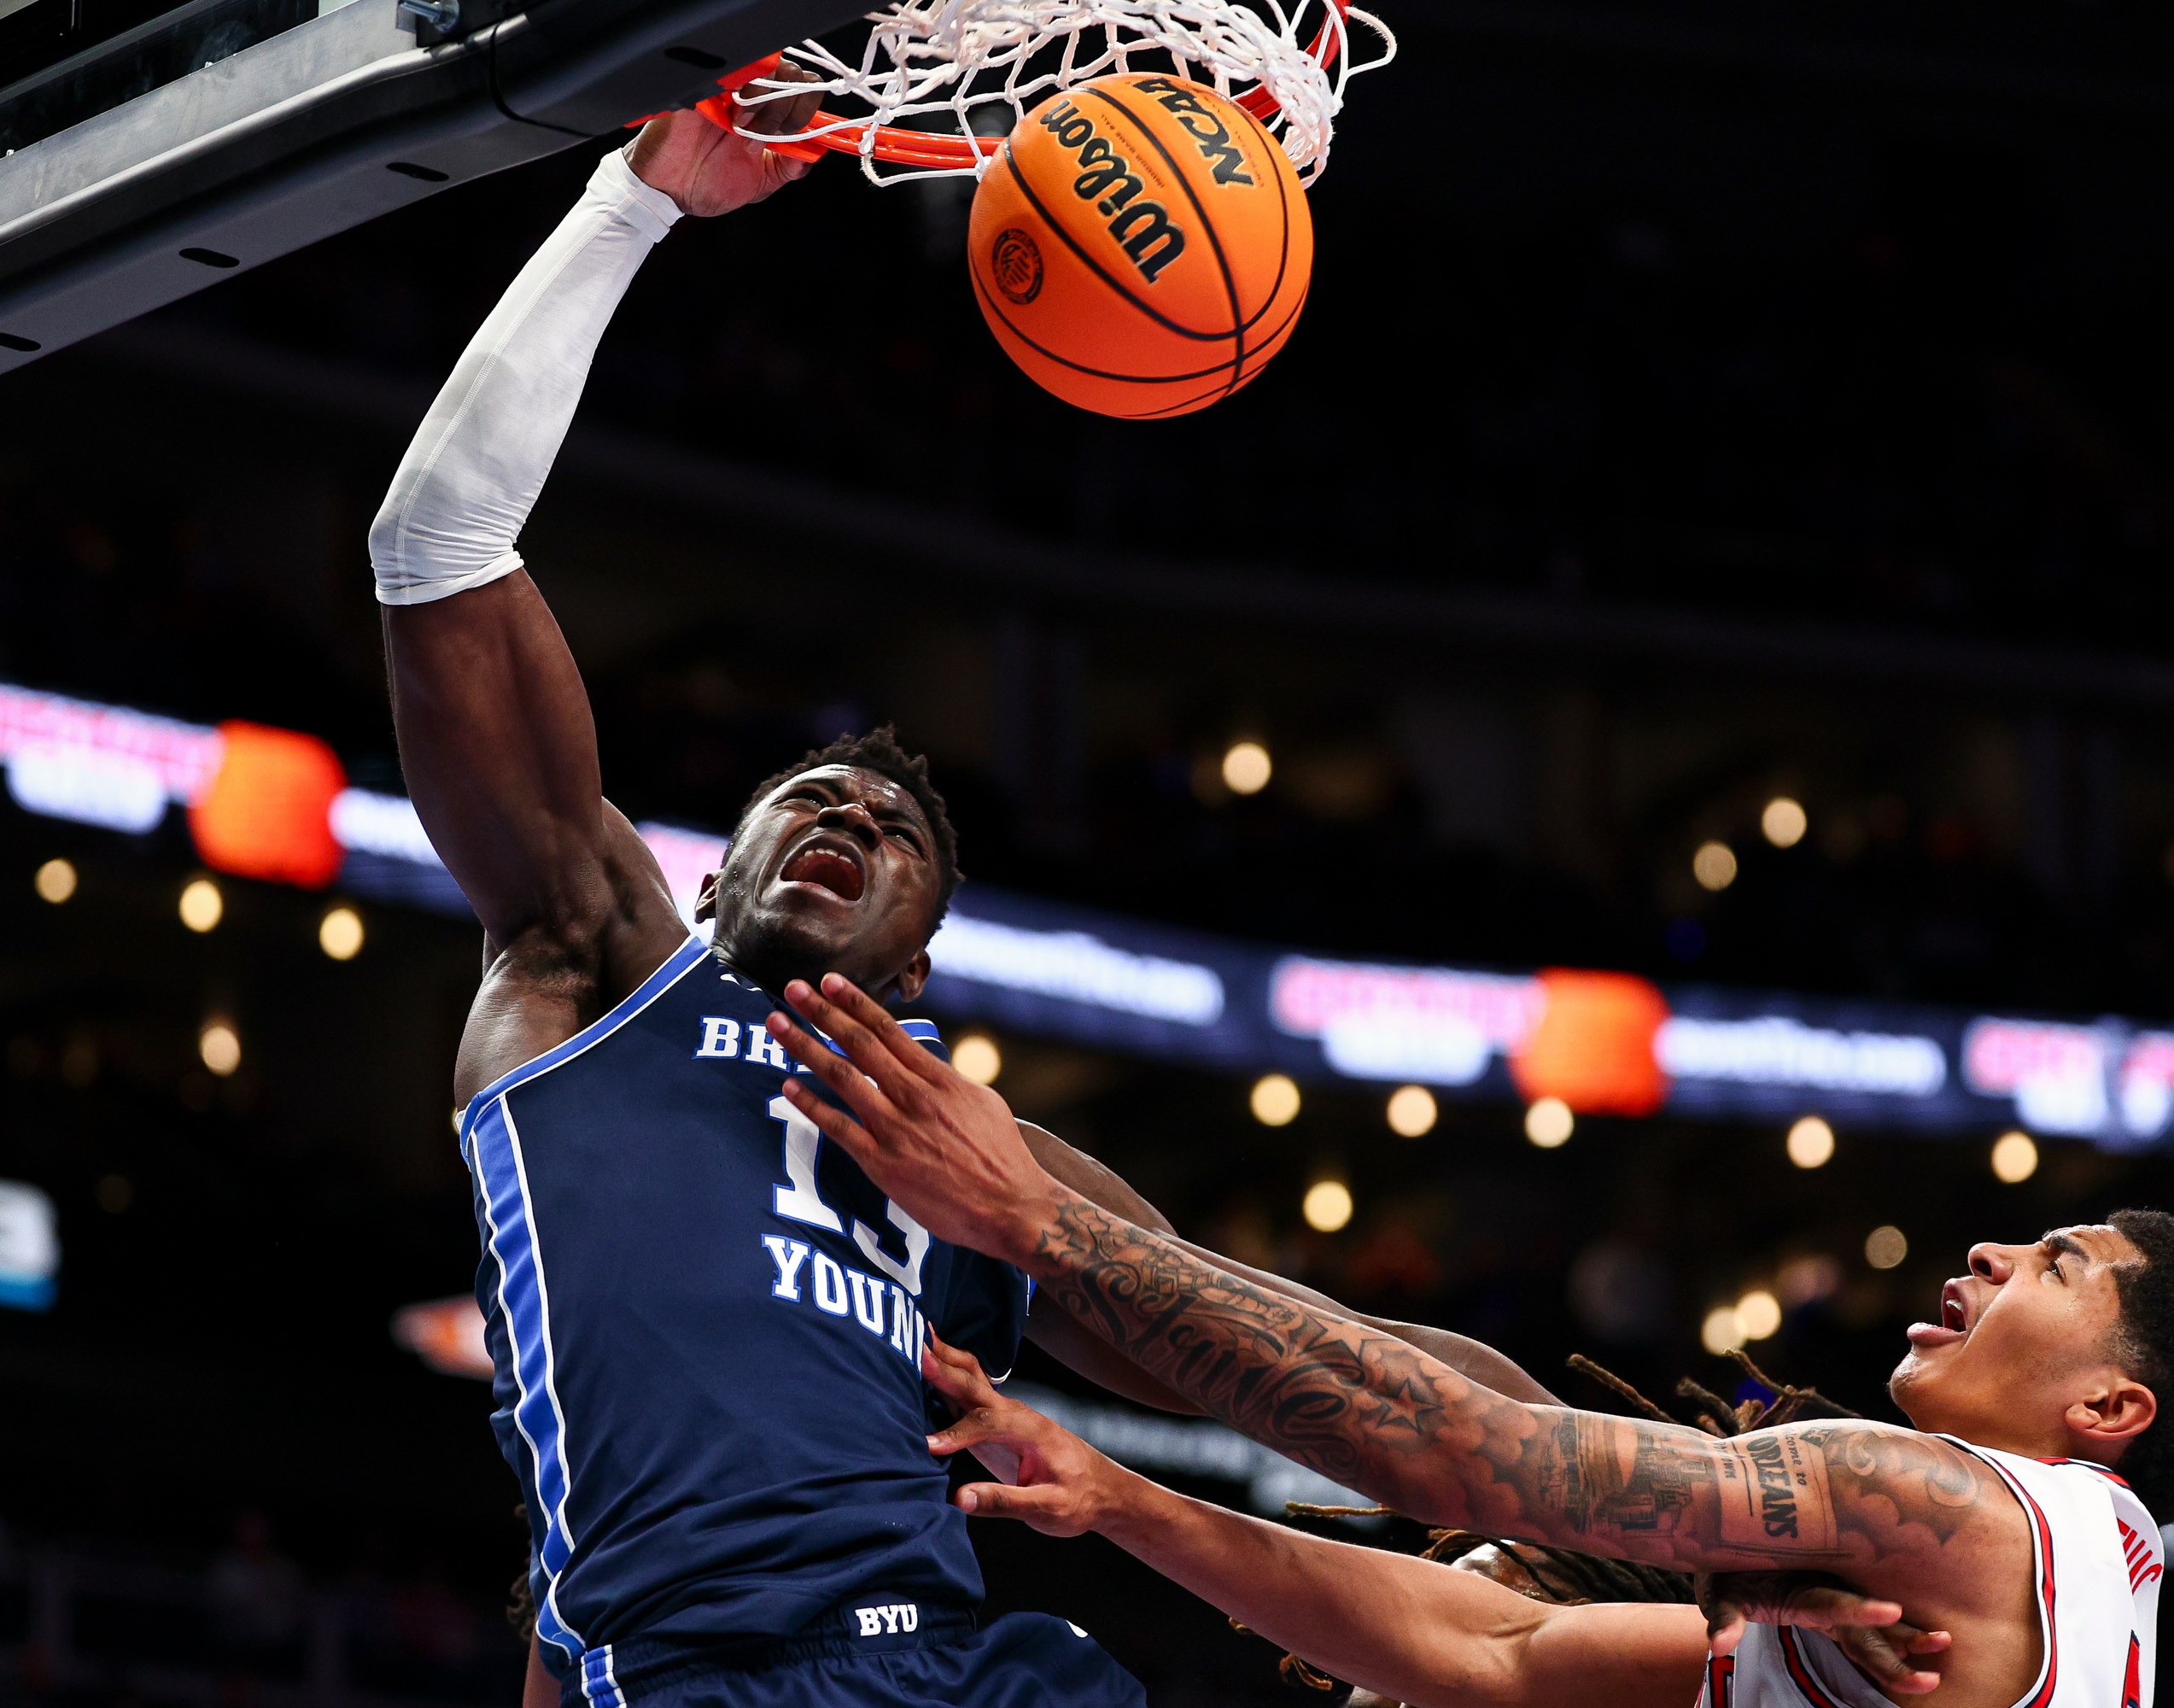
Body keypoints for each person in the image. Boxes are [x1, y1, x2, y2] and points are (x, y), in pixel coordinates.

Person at [370, 74, 1659, 1708]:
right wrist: (637, 208)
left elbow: (1315, 1361)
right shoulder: (590, 969)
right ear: (711, 879)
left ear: (917, 963)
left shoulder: (984, 1165)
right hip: (709, 1673)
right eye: (805, 804)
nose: (844, 814)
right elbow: (438, 542)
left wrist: (1647, 1488)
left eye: (891, 830)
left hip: (979, 1669)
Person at [762, 978, 2174, 1708]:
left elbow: (1462, 1460)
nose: (1987, 1250)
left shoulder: (1951, 1510)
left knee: (1483, 1429)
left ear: (2115, 1402)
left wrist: (1040, 1227)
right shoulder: (2048, 1590)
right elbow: (1487, 1647)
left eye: (2056, 1261)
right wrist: (1126, 1500)